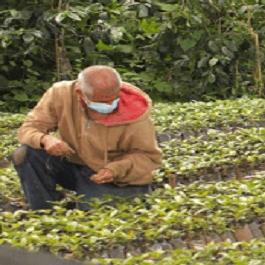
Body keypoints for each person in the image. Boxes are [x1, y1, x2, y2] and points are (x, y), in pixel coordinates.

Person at [11, 66, 162, 210]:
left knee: (98, 212)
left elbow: (148, 157)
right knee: (26, 153)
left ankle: (92, 196)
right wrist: (45, 139)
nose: (109, 105)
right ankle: (45, 210)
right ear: (79, 93)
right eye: (101, 102)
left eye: (113, 99)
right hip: (74, 165)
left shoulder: (135, 111)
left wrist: (114, 169)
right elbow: (28, 129)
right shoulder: (61, 94)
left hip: (114, 176)